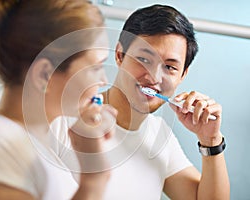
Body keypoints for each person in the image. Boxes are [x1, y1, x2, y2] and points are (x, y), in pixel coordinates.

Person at [0, 0, 117, 200]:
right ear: (44, 74)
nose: (104, 81)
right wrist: (94, 180)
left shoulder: (38, 149)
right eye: (96, 67)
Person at [99, 4, 230, 199]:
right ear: (120, 55)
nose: (154, 77)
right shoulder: (71, 117)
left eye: (169, 67)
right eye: (143, 59)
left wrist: (210, 141)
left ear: (183, 75)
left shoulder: (160, 136)